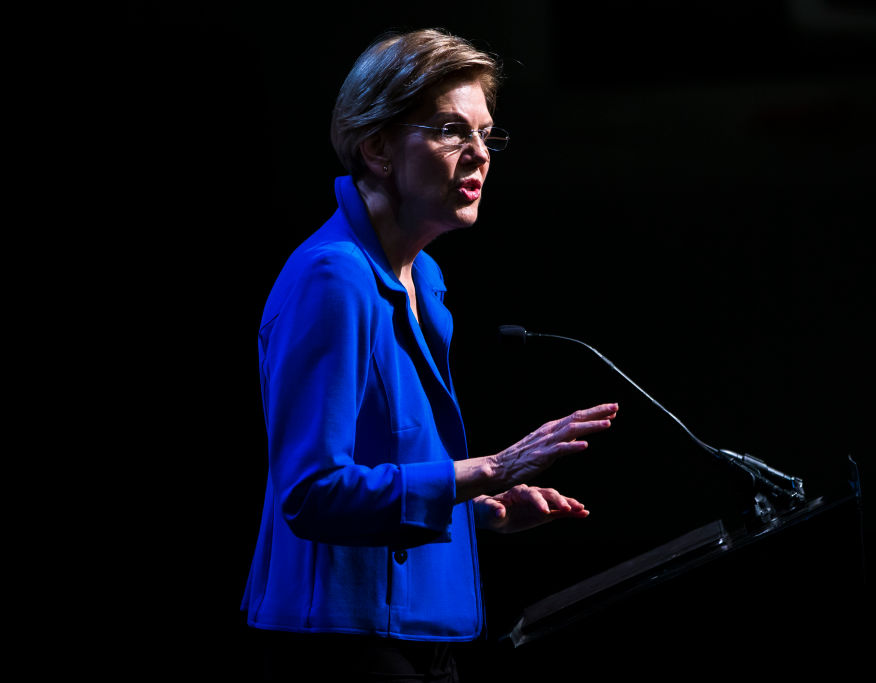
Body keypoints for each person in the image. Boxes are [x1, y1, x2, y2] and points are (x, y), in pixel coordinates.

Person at [240, 28, 618, 681]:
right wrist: (491, 468)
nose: (480, 155)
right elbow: (312, 493)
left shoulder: (426, 280)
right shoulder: (334, 278)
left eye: (487, 135)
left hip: (414, 630)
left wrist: (477, 508)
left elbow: (389, 466)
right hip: (341, 640)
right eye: (451, 131)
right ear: (378, 147)